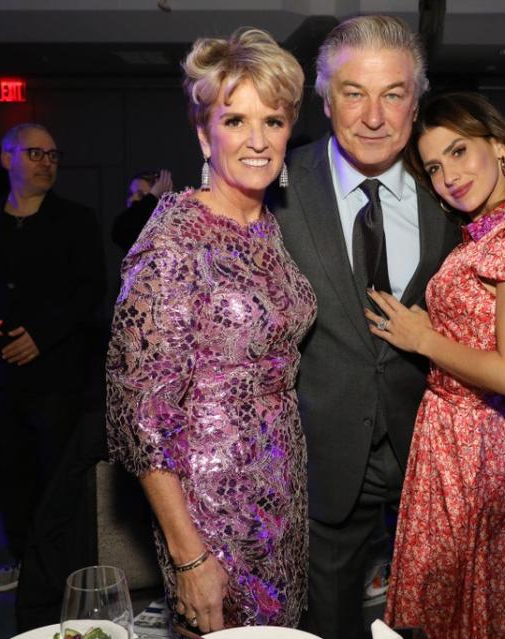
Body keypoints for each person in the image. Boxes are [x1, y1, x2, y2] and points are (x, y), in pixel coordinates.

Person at [106, 28, 315, 636]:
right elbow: (140, 416)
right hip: (209, 508)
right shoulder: (172, 241)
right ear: (203, 133)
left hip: (281, 492)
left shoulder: (267, 229)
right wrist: (189, 554)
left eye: (273, 121)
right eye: (235, 120)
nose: (257, 141)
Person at [269, 15, 461, 638]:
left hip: (430, 448)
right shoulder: (276, 186)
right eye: (354, 93)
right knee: (328, 621)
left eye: (393, 94)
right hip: (321, 452)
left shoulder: (452, 192)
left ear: (417, 100)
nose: (373, 116)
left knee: (434, 617)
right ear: (325, 101)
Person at [367, 91, 505, 639]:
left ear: (501, 147)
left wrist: (424, 339)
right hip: (464, 439)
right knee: (466, 611)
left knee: (473, 617)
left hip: (475, 446)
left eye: (459, 152)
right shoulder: (497, 226)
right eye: (435, 167)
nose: (448, 177)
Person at [0, 122, 106, 593]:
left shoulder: (75, 219)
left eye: (53, 155)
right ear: (7, 158)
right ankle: (23, 561)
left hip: (58, 375)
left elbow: (91, 291)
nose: (47, 162)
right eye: (35, 153)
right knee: (12, 474)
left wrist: (42, 336)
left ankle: (62, 572)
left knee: (58, 477)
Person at [110, 167, 174, 252]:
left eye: (141, 195)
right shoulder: (129, 227)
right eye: (130, 194)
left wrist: (152, 196)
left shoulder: (169, 229)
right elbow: (119, 232)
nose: (132, 199)